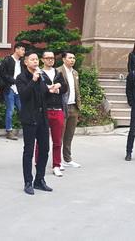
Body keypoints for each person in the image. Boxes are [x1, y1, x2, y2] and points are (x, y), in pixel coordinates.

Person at [16, 52, 54, 194]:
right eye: (32, 59)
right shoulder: (21, 78)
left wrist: (51, 90)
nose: (35, 62)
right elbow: (24, 95)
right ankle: (28, 182)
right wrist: (33, 80)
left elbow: (44, 95)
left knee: (44, 149)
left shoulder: (41, 76)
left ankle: (39, 180)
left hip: (42, 118)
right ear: (26, 62)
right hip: (29, 119)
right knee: (29, 151)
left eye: (37, 59)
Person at [39, 51, 66, 177]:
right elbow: (37, 90)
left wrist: (58, 87)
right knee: (41, 139)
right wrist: (48, 89)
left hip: (58, 109)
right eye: (48, 58)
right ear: (42, 60)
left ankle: (56, 165)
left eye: (52, 58)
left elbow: (65, 87)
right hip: (44, 110)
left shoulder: (58, 73)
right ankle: (39, 162)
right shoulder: (39, 73)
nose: (50, 60)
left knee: (57, 140)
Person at [58, 51, 83, 169]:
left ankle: (67, 159)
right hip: (62, 106)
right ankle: (57, 161)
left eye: (74, 58)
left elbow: (77, 90)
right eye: (70, 58)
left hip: (74, 106)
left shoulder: (75, 73)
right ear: (64, 59)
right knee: (59, 135)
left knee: (69, 135)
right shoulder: (58, 71)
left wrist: (79, 105)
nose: (72, 60)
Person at [0, 44, 26, 140]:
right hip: (9, 88)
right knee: (10, 110)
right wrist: (13, 81)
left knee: (22, 109)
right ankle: (9, 131)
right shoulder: (7, 60)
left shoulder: (22, 62)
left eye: (24, 50)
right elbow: (2, 74)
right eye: (22, 49)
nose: (23, 52)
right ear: (16, 49)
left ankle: (26, 129)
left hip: (20, 89)